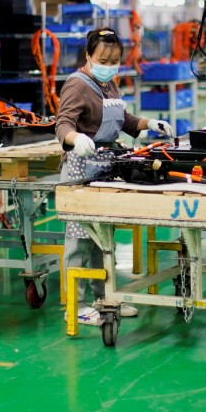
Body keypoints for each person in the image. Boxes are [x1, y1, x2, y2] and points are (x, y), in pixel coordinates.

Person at [55, 28, 175, 326]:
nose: (109, 64)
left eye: (115, 59)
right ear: (88, 55)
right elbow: (63, 124)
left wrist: (151, 123)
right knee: (80, 241)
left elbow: (125, 120)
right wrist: (74, 138)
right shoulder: (77, 85)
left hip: (104, 169)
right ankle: (76, 304)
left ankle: (103, 298)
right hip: (81, 170)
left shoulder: (108, 85)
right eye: (103, 59)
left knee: (101, 239)